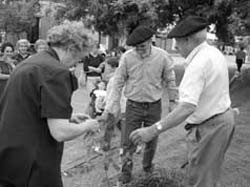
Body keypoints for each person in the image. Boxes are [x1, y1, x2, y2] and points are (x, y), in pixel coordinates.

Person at [130, 16, 236, 187]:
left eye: (177, 42)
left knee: (202, 181)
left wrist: (153, 129)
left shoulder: (198, 64)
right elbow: (213, 90)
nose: (176, 47)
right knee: (207, 175)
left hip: (211, 127)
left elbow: (187, 107)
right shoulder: (213, 53)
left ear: (187, 40)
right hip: (221, 120)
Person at [0, 21, 100, 187]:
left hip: (11, 158)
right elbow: (60, 132)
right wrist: (88, 125)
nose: (77, 62)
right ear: (71, 48)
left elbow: (28, 108)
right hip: (34, 165)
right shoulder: (56, 71)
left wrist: (69, 117)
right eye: (79, 56)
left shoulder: (30, 63)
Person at [103, 25, 178, 184]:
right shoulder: (127, 57)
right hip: (133, 106)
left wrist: (172, 101)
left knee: (152, 140)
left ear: (151, 40)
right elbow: (118, 81)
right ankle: (125, 173)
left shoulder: (163, 57)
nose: (139, 50)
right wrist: (114, 103)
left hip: (154, 106)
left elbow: (170, 80)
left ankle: (147, 167)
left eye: (142, 46)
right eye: (136, 47)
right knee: (127, 141)